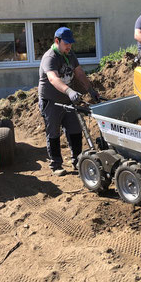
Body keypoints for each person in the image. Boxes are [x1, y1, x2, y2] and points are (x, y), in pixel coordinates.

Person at [38, 27, 100, 176]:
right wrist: (69, 91)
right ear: (57, 41)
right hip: (51, 100)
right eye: (67, 43)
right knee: (53, 132)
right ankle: (56, 164)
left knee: (75, 129)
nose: (69, 46)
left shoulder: (70, 54)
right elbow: (53, 78)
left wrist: (90, 90)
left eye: (71, 43)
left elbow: (79, 73)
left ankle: (77, 161)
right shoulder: (50, 57)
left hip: (68, 100)